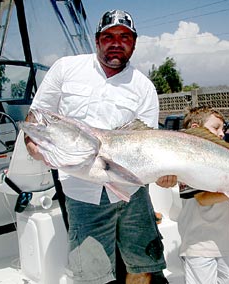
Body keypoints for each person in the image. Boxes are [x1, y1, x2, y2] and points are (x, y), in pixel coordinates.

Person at [24, 9, 177, 284]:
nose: (116, 42)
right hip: (82, 194)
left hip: (133, 192)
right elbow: (37, 116)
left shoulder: (144, 87)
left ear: (134, 42)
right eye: (108, 36)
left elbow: (147, 144)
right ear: (97, 41)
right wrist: (32, 146)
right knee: (92, 277)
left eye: (124, 37)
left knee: (143, 267)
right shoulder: (65, 69)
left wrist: (165, 172)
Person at [177, 106, 229, 284]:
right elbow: (203, 199)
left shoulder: (224, 159)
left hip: (225, 243)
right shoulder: (184, 160)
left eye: (223, 129)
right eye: (216, 127)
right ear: (196, 128)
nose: (222, 134)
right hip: (198, 246)